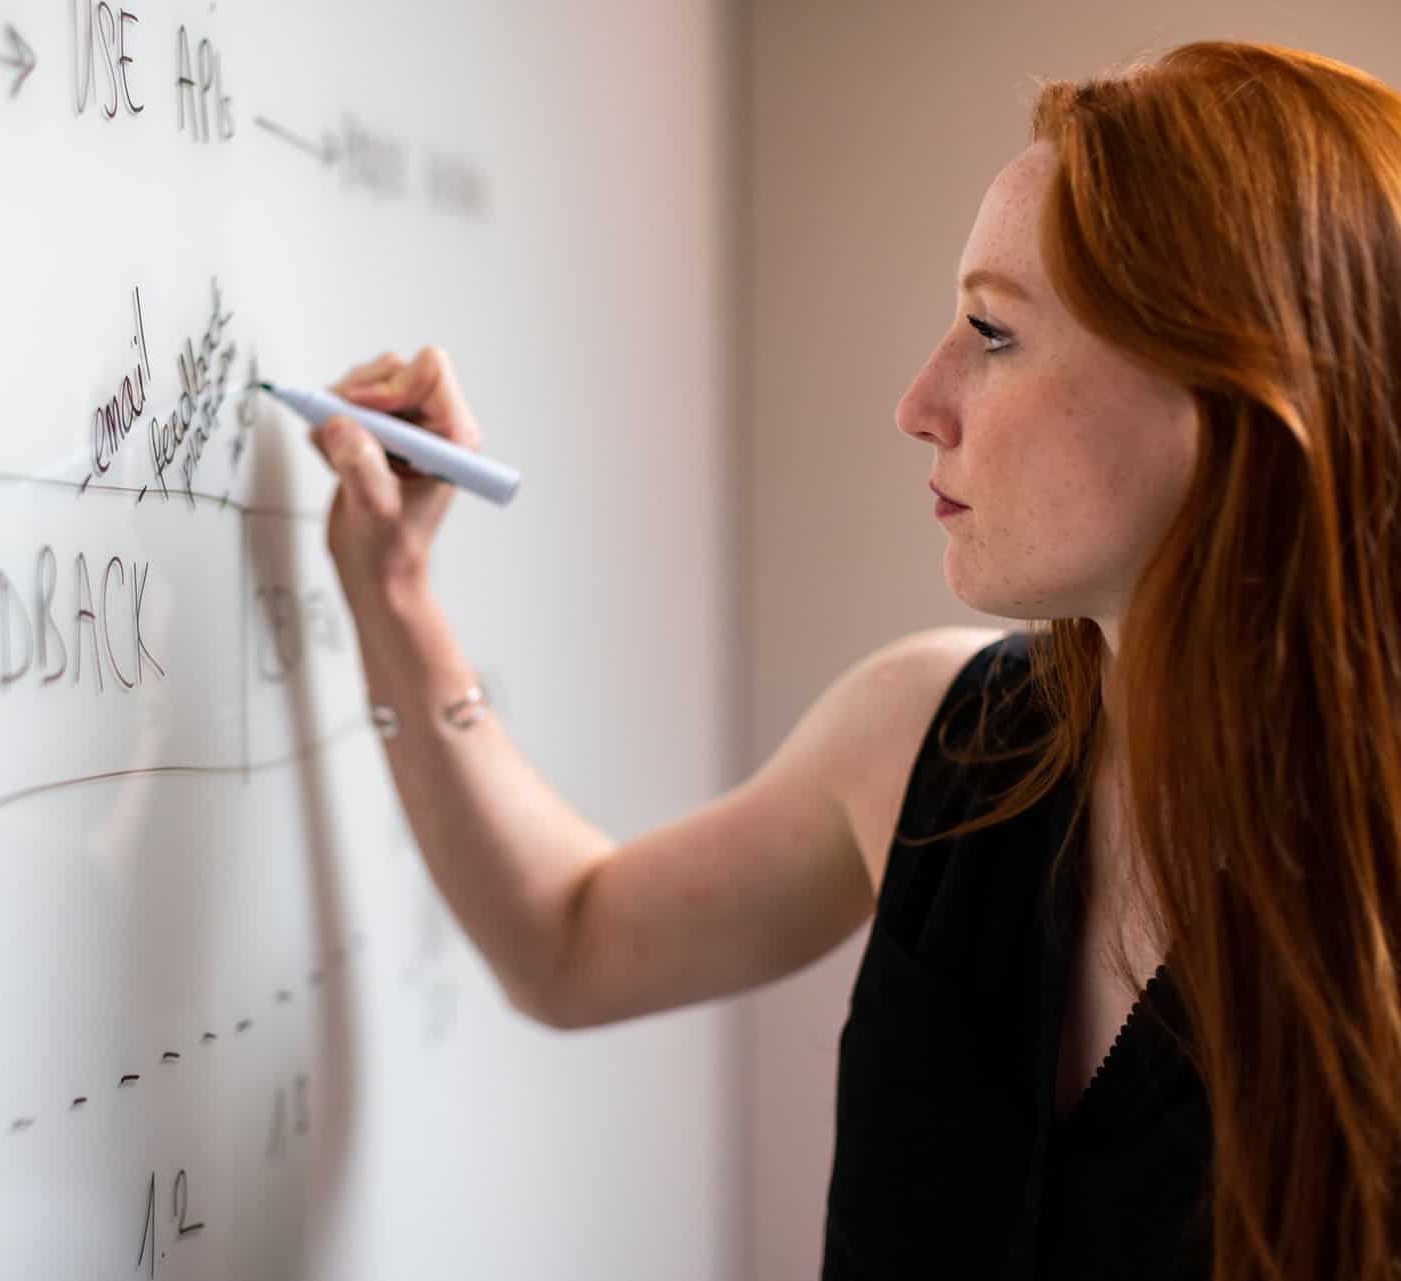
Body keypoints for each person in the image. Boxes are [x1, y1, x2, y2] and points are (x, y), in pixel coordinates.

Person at [306, 39, 1401, 1281]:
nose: (920, 401)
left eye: (993, 332)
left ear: (1231, 396)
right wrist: (396, 597)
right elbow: (568, 942)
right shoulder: (934, 738)